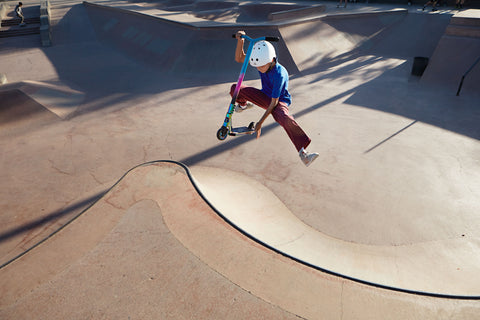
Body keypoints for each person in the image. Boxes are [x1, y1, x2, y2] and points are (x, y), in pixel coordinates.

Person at [231, 31, 319, 167]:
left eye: (261, 66)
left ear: (272, 61)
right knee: (235, 89)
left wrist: (260, 123)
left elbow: (274, 102)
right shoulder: (262, 60)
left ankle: (304, 153)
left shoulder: (280, 74)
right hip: (264, 96)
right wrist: (240, 41)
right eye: (257, 66)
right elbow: (239, 58)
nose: (259, 69)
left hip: (278, 101)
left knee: (285, 118)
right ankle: (243, 105)